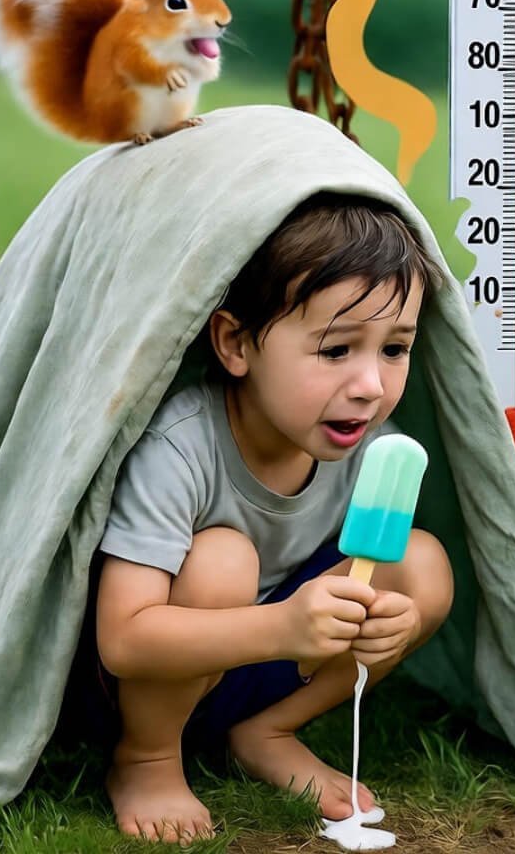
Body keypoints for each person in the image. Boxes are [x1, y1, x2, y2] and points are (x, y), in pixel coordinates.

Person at [61, 192, 454, 843]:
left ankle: (266, 731)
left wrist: (392, 624)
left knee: (422, 568)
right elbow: (123, 639)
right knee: (222, 559)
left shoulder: (358, 440)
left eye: (394, 349)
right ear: (235, 344)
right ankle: (149, 759)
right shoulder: (178, 446)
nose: (371, 385)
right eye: (336, 350)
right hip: (152, 678)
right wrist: (282, 626)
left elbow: (361, 585)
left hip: (272, 657)